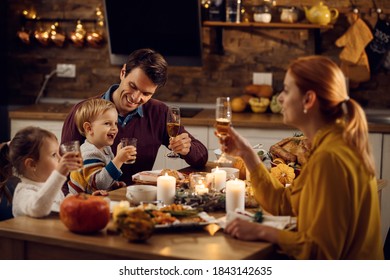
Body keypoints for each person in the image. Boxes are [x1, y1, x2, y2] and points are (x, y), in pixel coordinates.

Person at [222, 56, 383, 259]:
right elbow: (286, 205)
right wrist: (247, 154)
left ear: (308, 99)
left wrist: (262, 231)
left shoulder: (330, 157)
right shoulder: (330, 143)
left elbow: (321, 252)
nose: (280, 98)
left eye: (287, 90)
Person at [61, 48, 208, 185]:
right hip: (92, 202)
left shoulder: (159, 112)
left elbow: (202, 156)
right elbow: (63, 172)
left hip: (139, 200)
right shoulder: (83, 111)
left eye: (146, 94)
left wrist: (187, 149)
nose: (136, 98)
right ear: (123, 72)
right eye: (133, 86)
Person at [0, 126, 82, 218]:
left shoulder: (50, 187)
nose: (60, 158)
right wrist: (59, 175)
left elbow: (57, 209)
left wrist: (82, 199)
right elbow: (38, 209)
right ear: (32, 164)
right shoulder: (23, 192)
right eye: (54, 154)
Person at [68, 99, 134, 194]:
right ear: (89, 128)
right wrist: (119, 160)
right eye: (107, 123)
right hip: (81, 203)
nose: (114, 128)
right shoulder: (89, 153)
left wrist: (114, 185)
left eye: (115, 123)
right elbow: (99, 183)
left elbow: (102, 177)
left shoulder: (105, 149)